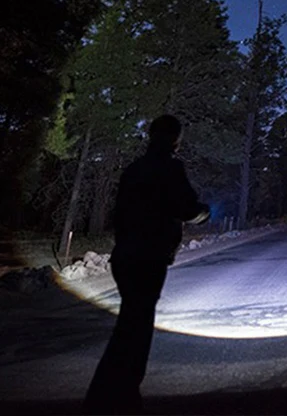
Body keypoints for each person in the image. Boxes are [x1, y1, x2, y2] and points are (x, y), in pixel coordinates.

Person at [84, 115, 210, 414]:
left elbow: (122, 213)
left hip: (125, 256)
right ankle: (120, 396)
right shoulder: (170, 167)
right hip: (149, 257)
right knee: (137, 328)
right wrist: (202, 213)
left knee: (129, 323)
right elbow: (186, 207)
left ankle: (109, 394)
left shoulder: (133, 169)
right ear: (175, 139)